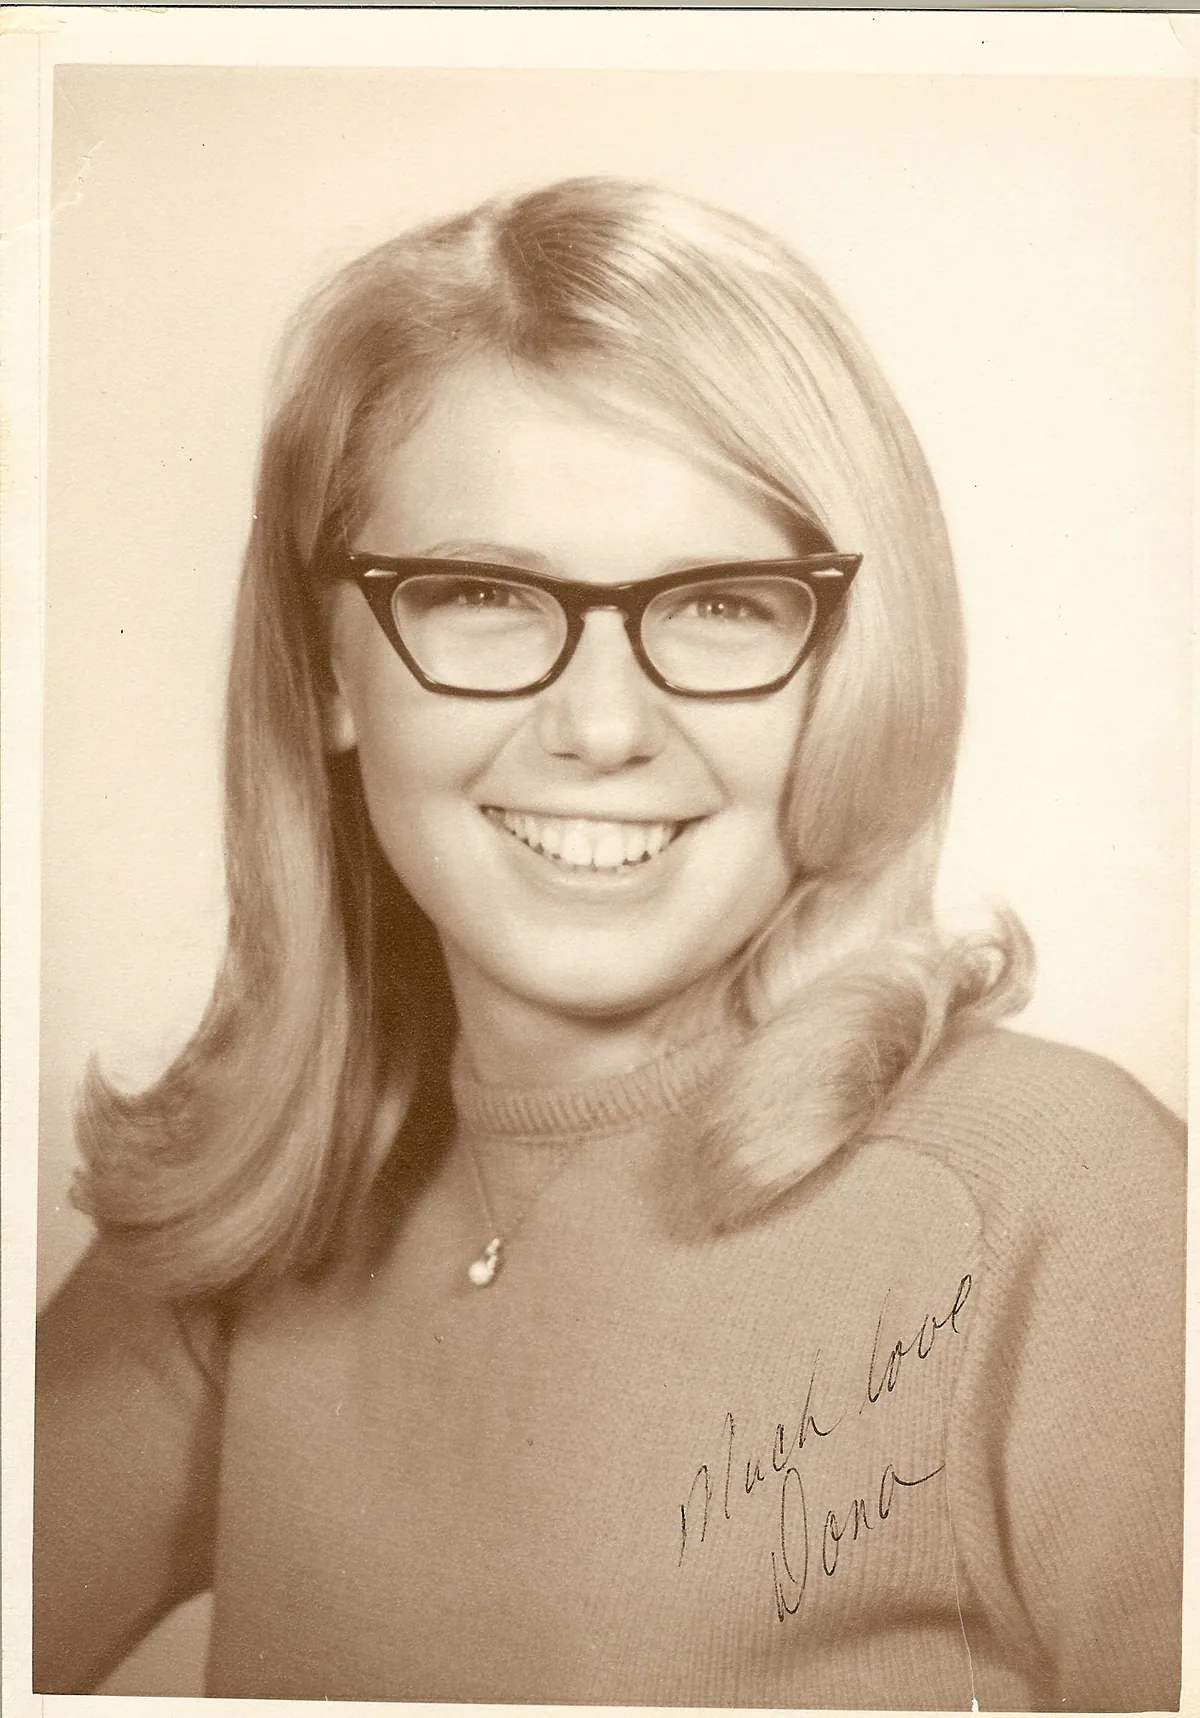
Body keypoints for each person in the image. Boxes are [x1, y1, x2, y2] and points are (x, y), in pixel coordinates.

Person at [33, 177, 1184, 1708]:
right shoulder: (262, 1194)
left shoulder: (1060, 1202)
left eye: (719, 603)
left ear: (850, 668)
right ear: (327, 673)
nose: (600, 729)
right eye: (484, 594)